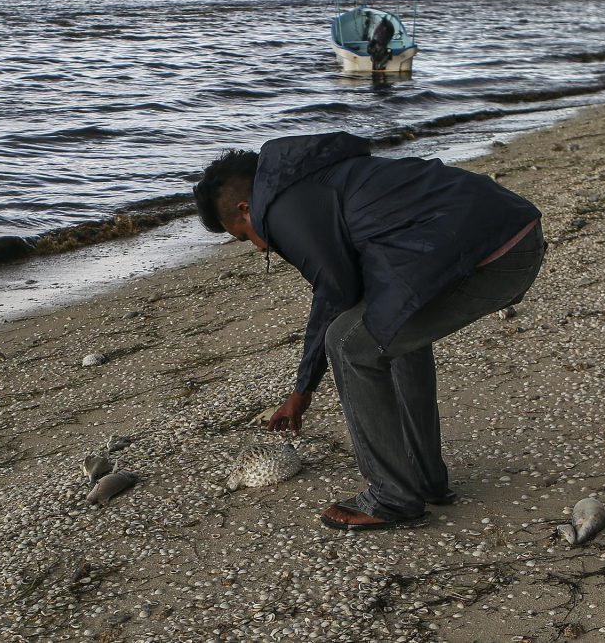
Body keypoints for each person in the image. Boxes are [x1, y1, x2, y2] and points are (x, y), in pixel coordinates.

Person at [193, 132, 544, 530]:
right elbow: (352, 287)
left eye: (244, 235)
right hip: (511, 232)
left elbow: (336, 292)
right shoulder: (313, 178)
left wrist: (303, 389)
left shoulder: (282, 207)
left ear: (246, 207)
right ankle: (424, 478)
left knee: (348, 344)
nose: (259, 248)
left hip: (491, 254)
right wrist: (303, 387)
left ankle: (391, 498)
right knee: (389, 330)